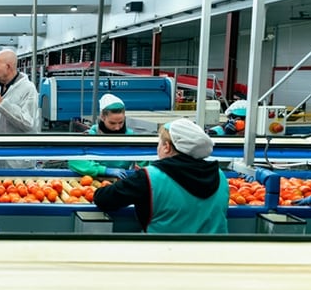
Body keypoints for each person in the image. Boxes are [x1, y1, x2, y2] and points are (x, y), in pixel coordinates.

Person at [93, 118, 229, 234]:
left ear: (166, 147)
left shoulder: (150, 177)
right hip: (213, 257)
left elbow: (104, 198)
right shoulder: (220, 176)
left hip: (164, 256)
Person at [0, 48, 39, 169]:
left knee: (16, 187)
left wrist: (2, 103)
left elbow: (27, 122)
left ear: (8, 67)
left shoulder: (28, 89)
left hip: (17, 160)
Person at [68, 93, 136, 179]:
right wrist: (104, 170)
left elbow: (146, 160)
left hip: (120, 181)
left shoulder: (131, 137)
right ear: (102, 117)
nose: (117, 128)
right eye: (112, 123)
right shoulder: (91, 136)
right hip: (94, 181)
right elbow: (75, 160)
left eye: (121, 122)